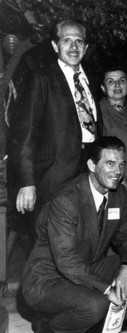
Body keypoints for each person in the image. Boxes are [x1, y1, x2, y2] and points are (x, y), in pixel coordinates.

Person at [21, 136, 127, 333]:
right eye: (109, 164)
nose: (117, 171)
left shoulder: (118, 194)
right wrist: (106, 288)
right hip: (48, 278)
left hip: (86, 267)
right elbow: (67, 261)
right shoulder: (67, 199)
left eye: (121, 164)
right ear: (92, 165)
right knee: (96, 304)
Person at [10, 19, 102, 215]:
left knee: (83, 236)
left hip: (89, 173)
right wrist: (27, 182)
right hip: (53, 175)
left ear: (86, 48)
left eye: (79, 41)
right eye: (66, 40)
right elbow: (25, 132)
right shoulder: (41, 78)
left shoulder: (91, 81)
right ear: (55, 45)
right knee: (51, 238)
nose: (73, 47)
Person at [100, 65, 127, 233]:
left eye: (122, 81)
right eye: (111, 81)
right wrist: (122, 181)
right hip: (115, 185)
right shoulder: (98, 113)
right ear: (103, 88)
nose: (117, 85)